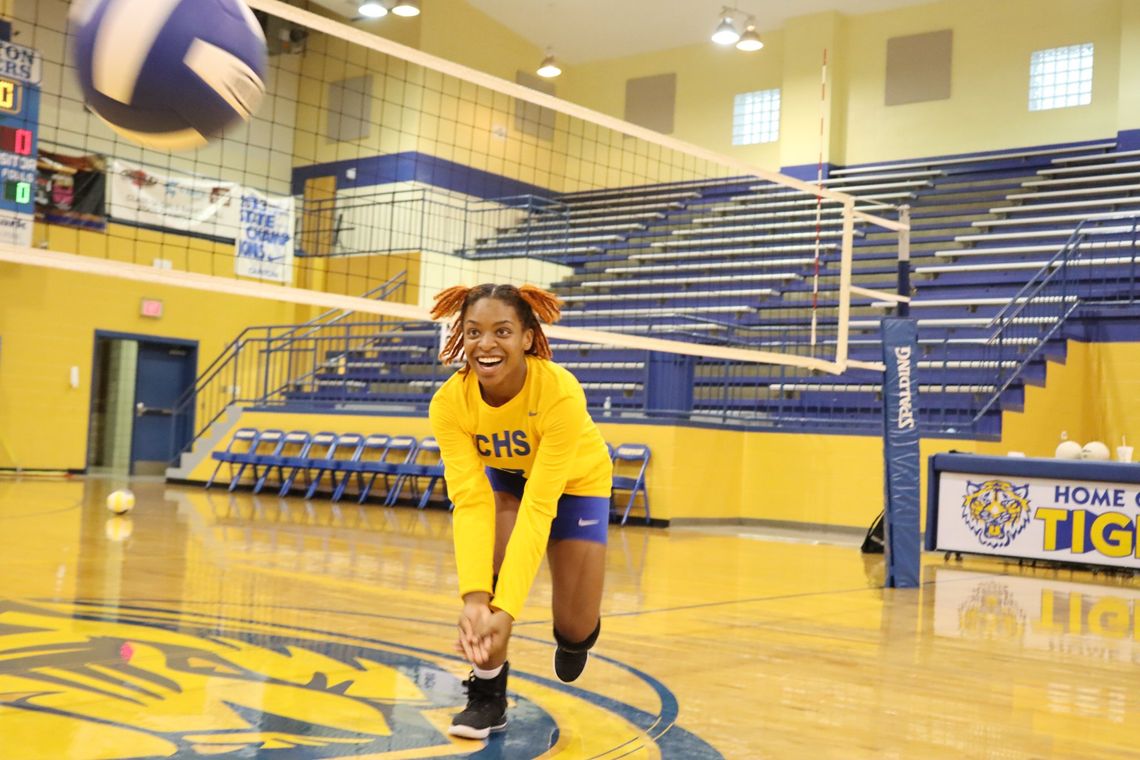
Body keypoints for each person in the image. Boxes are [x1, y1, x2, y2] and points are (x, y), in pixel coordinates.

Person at [428, 283, 612, 739]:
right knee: (488, 585)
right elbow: (470, 502)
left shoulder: (559, 391)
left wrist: (508, 610)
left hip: (577, 484)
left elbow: (540, 507)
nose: (485, 345)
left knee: (574, 627)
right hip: (508, 480)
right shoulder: (450, 403)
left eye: (501, 331)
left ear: (527, 338)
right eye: (473, 332)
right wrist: (476, 599)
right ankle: (488, 696)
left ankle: (575, 635)